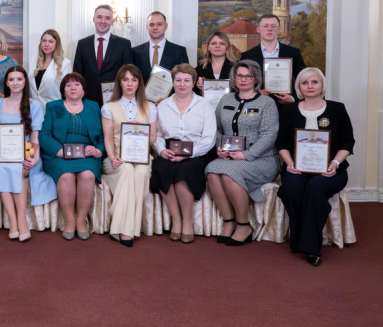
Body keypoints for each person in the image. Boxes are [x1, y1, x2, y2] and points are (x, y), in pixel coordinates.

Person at [277, 68, 354, 266]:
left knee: (315, 187)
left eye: (314, 82)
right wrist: (289, 163)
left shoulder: (337, 109)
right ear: (299, 87)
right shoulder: (289, 110)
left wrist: (335, 164)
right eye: (305, 83)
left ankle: (310, 247)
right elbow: (281, 143)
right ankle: (300, 239)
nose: (310, 86)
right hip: (297, 167)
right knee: (292, 188)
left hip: (331, 169)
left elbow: (348, 142)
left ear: (322, 85)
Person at [205, 59, 280, 246]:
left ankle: (244, 225)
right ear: (234, 78)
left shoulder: (266, 103)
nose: (243, 79)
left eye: (248, 76)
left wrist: (247, 155)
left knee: (230, 175)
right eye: (240, 75)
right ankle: (229, 222)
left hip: (262, 158)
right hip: (230, 156)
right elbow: (216, 128)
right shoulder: (226, 99)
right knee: (212, 171)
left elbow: (270, 135)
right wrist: (219, 147)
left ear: (256, 79)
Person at [151, 64, 217, 244]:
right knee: (160, 168)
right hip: (169, 151)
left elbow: (209, 139)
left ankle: (187, 220)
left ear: (194, 82)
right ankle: (176, 220)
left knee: (184, 172)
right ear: (172, 82)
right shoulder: (162, 105)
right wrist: (161, 150)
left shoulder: (204, 105)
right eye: (178, 80)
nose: (182, 84)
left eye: (187, 80)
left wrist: (189, 154)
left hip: (197, 152)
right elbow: (157, 135)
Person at [0, 66, 54, 242]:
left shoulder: (35, 105)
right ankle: (13, 222)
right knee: (2, 168)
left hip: (26, 152)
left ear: (25, 82)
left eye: (19, 79)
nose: (15, 83)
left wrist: (33, 158)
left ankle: (22, 220)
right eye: (12, 80)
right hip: (3, 154)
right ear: (7, 83)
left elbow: (34, 137)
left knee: (16, 170)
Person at [39, 73, 105, 241]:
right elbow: (44, 135)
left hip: (87, 154)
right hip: (60, 155)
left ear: (83, 89)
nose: (73, 88)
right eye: (68, 85)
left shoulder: (93, 106)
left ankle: (81, 221)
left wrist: (98, 151)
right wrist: (59, 151)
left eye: (77, 84)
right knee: (66, 175)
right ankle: (69, 221)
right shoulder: (54, 106)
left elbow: (104, 136)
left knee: (87, 175)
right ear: (63, 90)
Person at [101, 64, 157, 247]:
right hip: (117, 157)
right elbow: (108, 138)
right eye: (125, 80)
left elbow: (153, 138)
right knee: (125, 170)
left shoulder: (150, 107)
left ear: (140, 83)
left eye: (134, 80)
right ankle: (127, 231)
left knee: (140, 173)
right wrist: (112, 157)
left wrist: (138, 131)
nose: (130, 84)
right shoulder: (109, 107)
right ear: (120, 83)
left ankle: (120, 229)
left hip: (141, 158)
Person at [72, 4, 134, 107]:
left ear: (112, 21)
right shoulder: (82, 44)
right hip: (87, 100)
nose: (103, 21)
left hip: (115, 100)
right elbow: (77, 74)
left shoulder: (124, 44)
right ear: (93, 19)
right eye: (99, 17)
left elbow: (128, 75)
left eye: (107, 18)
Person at [240, 14, 307, 106]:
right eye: (265, 26)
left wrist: (292, 98)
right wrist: (255, 94)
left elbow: (304, 80)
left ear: (279, 29)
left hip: (286, 108)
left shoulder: (293, 53)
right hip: (256, 107)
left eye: (273, 26)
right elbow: (241, 83)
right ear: (258, 29)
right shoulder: (246, 56)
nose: (269, 29)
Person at [132, 11, 189, 84]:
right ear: (147, 27)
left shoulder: (179, 51)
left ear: (166, 26)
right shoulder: (135, 51)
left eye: (159, 24)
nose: (155, 27)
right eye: (151, 24)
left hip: (170, 95)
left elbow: (185, 78)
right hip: (142, 95)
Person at [29, 29, 73, 106]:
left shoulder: (65, 63)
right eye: (44, 41)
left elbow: (68, 90)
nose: (46, 44)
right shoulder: (33, 61)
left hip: (55, 109)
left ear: (57, 44)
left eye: (51, 41)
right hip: (34, 108)